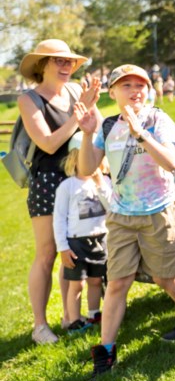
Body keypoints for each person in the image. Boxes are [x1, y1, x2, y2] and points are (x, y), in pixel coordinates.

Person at [76, 64, 175, 378]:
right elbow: (86, 168)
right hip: (122, 216)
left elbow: (171, 162)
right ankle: (106, 351)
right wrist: (86, 133)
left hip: (158, 212)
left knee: (165, 279)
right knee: (118, 282)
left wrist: (141, 134)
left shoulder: (157, 120)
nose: (135, 90)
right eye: (126, 86)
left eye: (140, 85)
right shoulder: (108, 127)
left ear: (148, 90)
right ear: (113, 93)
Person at [17, 39, 100, 345]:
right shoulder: (29, 99)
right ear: (42, 65)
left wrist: (90, 111)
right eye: (59, 61)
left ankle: (70, 316)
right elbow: (48, 143)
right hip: (47, 182)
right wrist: (78, 117)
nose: (67, 67)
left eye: (70, 62)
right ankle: (39, 325)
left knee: (75, 249)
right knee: (48, 253)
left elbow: (94, 129)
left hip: (79, 179)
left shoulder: (77, 91)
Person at [53, 132, 110, 333]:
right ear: (74, 158)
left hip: (100, 239)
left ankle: (94, 314)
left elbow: (111, 207)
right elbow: (59, 219)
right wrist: (63, 247)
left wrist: (101, 184)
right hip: (76, 243)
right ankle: (75, 320)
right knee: (76, 285)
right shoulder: (67, 187)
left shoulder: (105, 182)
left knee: (96, 281)